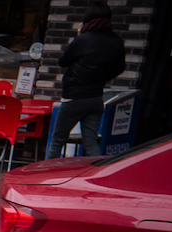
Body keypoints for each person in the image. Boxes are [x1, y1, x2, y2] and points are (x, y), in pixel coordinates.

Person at [46, 3, 126, 158]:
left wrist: (79, 36)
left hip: (74, 97)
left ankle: (45, 177)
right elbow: (120, 68)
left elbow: (63, 61)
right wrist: (102, 77)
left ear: (87, 19)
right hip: (96, 97)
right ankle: (95, 175)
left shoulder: (83, 39)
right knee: (90, 142)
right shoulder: (116, 41)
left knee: (57, 140)